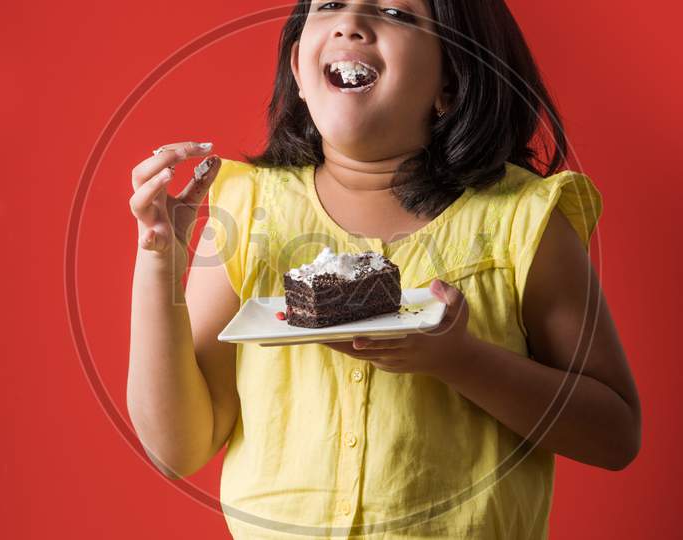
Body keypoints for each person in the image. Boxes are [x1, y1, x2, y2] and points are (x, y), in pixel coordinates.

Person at [126, 1, 642, 538]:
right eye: (329, 5)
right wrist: (158, 258)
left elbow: (614, 433)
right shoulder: (251, 211)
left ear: (452, 79)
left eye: (395, 10)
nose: (351, 22)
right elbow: (178, 448)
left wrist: (462, 361)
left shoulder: (525, 221)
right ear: (300, 68)